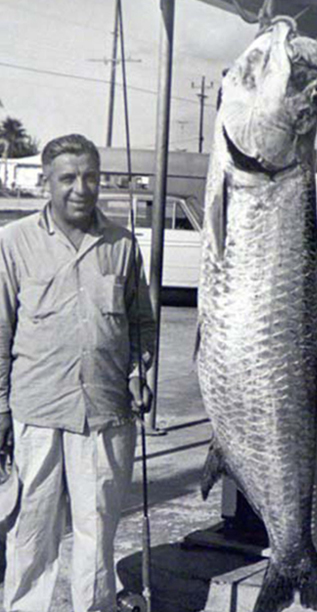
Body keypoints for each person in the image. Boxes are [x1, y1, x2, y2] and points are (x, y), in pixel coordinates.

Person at [0, 133, 155, 612]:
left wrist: (140, 373)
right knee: (31, 536)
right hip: (37, 411)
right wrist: (1, 407)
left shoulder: (123, 244)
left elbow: (142, 322)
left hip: (105, 414)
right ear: (46, 182)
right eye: (68, 178)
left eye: (90, 176)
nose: (81, 188)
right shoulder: (14, 241)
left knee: (96, 535)